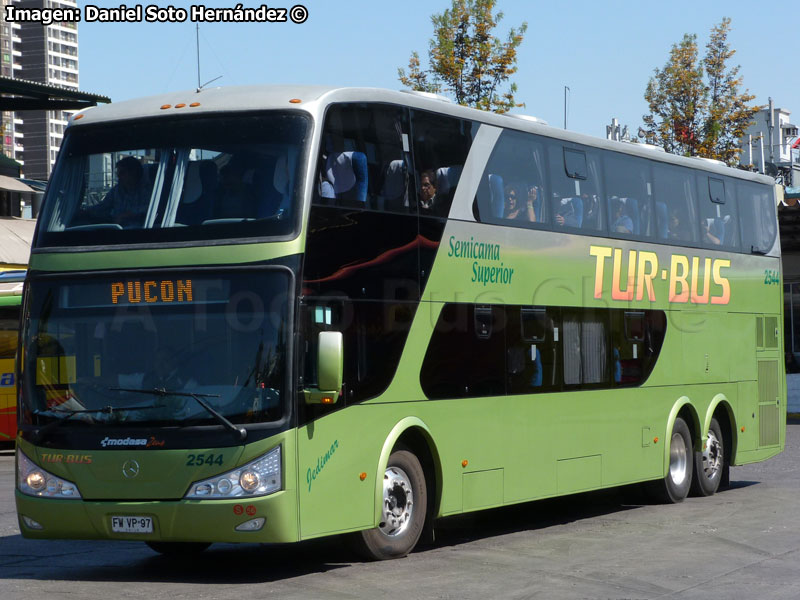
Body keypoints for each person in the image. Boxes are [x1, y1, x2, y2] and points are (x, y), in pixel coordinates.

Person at [100, 156, 151, 228]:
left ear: (133, 173)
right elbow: (103, 206)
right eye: (117, 173)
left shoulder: (146, 190)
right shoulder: (116, 190)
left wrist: (127, 214)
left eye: (122, 173)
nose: (118, 176)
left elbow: (148, 208)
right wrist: (86, 212)